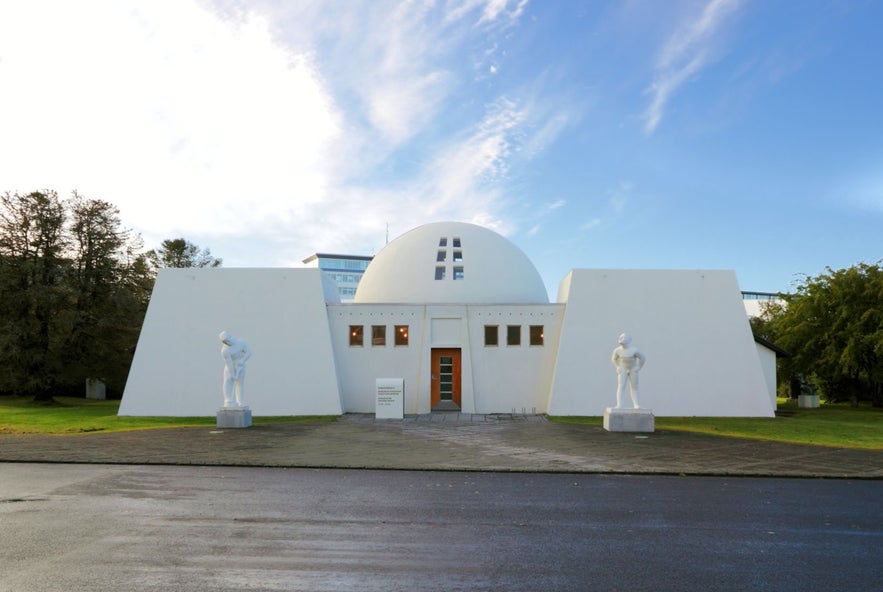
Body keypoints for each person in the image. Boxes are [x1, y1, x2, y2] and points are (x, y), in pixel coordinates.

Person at [611, 333, 646, 409]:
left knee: (634, 387)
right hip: (623, 369)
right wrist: (617, 367)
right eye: (621, 337)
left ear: (629, 340)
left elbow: (643, 358)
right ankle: (619, 404)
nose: (621, 338)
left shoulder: (634, 350)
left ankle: (636, 404)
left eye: (624, 337)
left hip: (633, 369)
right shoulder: (617, 350)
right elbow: (614, 359)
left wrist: (638, 367)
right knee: (621, 386)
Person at [220, 331, 252, 408]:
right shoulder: (225, 351)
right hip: (230, 367)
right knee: (228, 381)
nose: (227, 343)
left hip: (240, 366)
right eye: (224, 342)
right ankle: (228, 399)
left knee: (240, 383)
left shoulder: (241, 342)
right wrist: (232, 374)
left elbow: (249, 352)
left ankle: (239, 401)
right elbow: (229, 363)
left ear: (231, 338)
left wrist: (243, 360)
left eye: (227, 340)